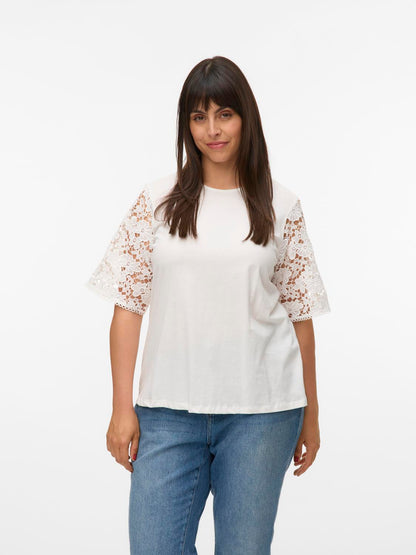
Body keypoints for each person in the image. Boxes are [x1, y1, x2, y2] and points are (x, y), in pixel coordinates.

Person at [86, 55, 331, 554]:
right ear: (187, 124)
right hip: (167, 412)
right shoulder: (156, 202)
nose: (212, 130)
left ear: (245, 118)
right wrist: (120, 408)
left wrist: (312, 413)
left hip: (263, 413)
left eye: (225, 114)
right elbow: (127, 309)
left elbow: (300, 318)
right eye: (199, 117)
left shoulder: (281, 206)